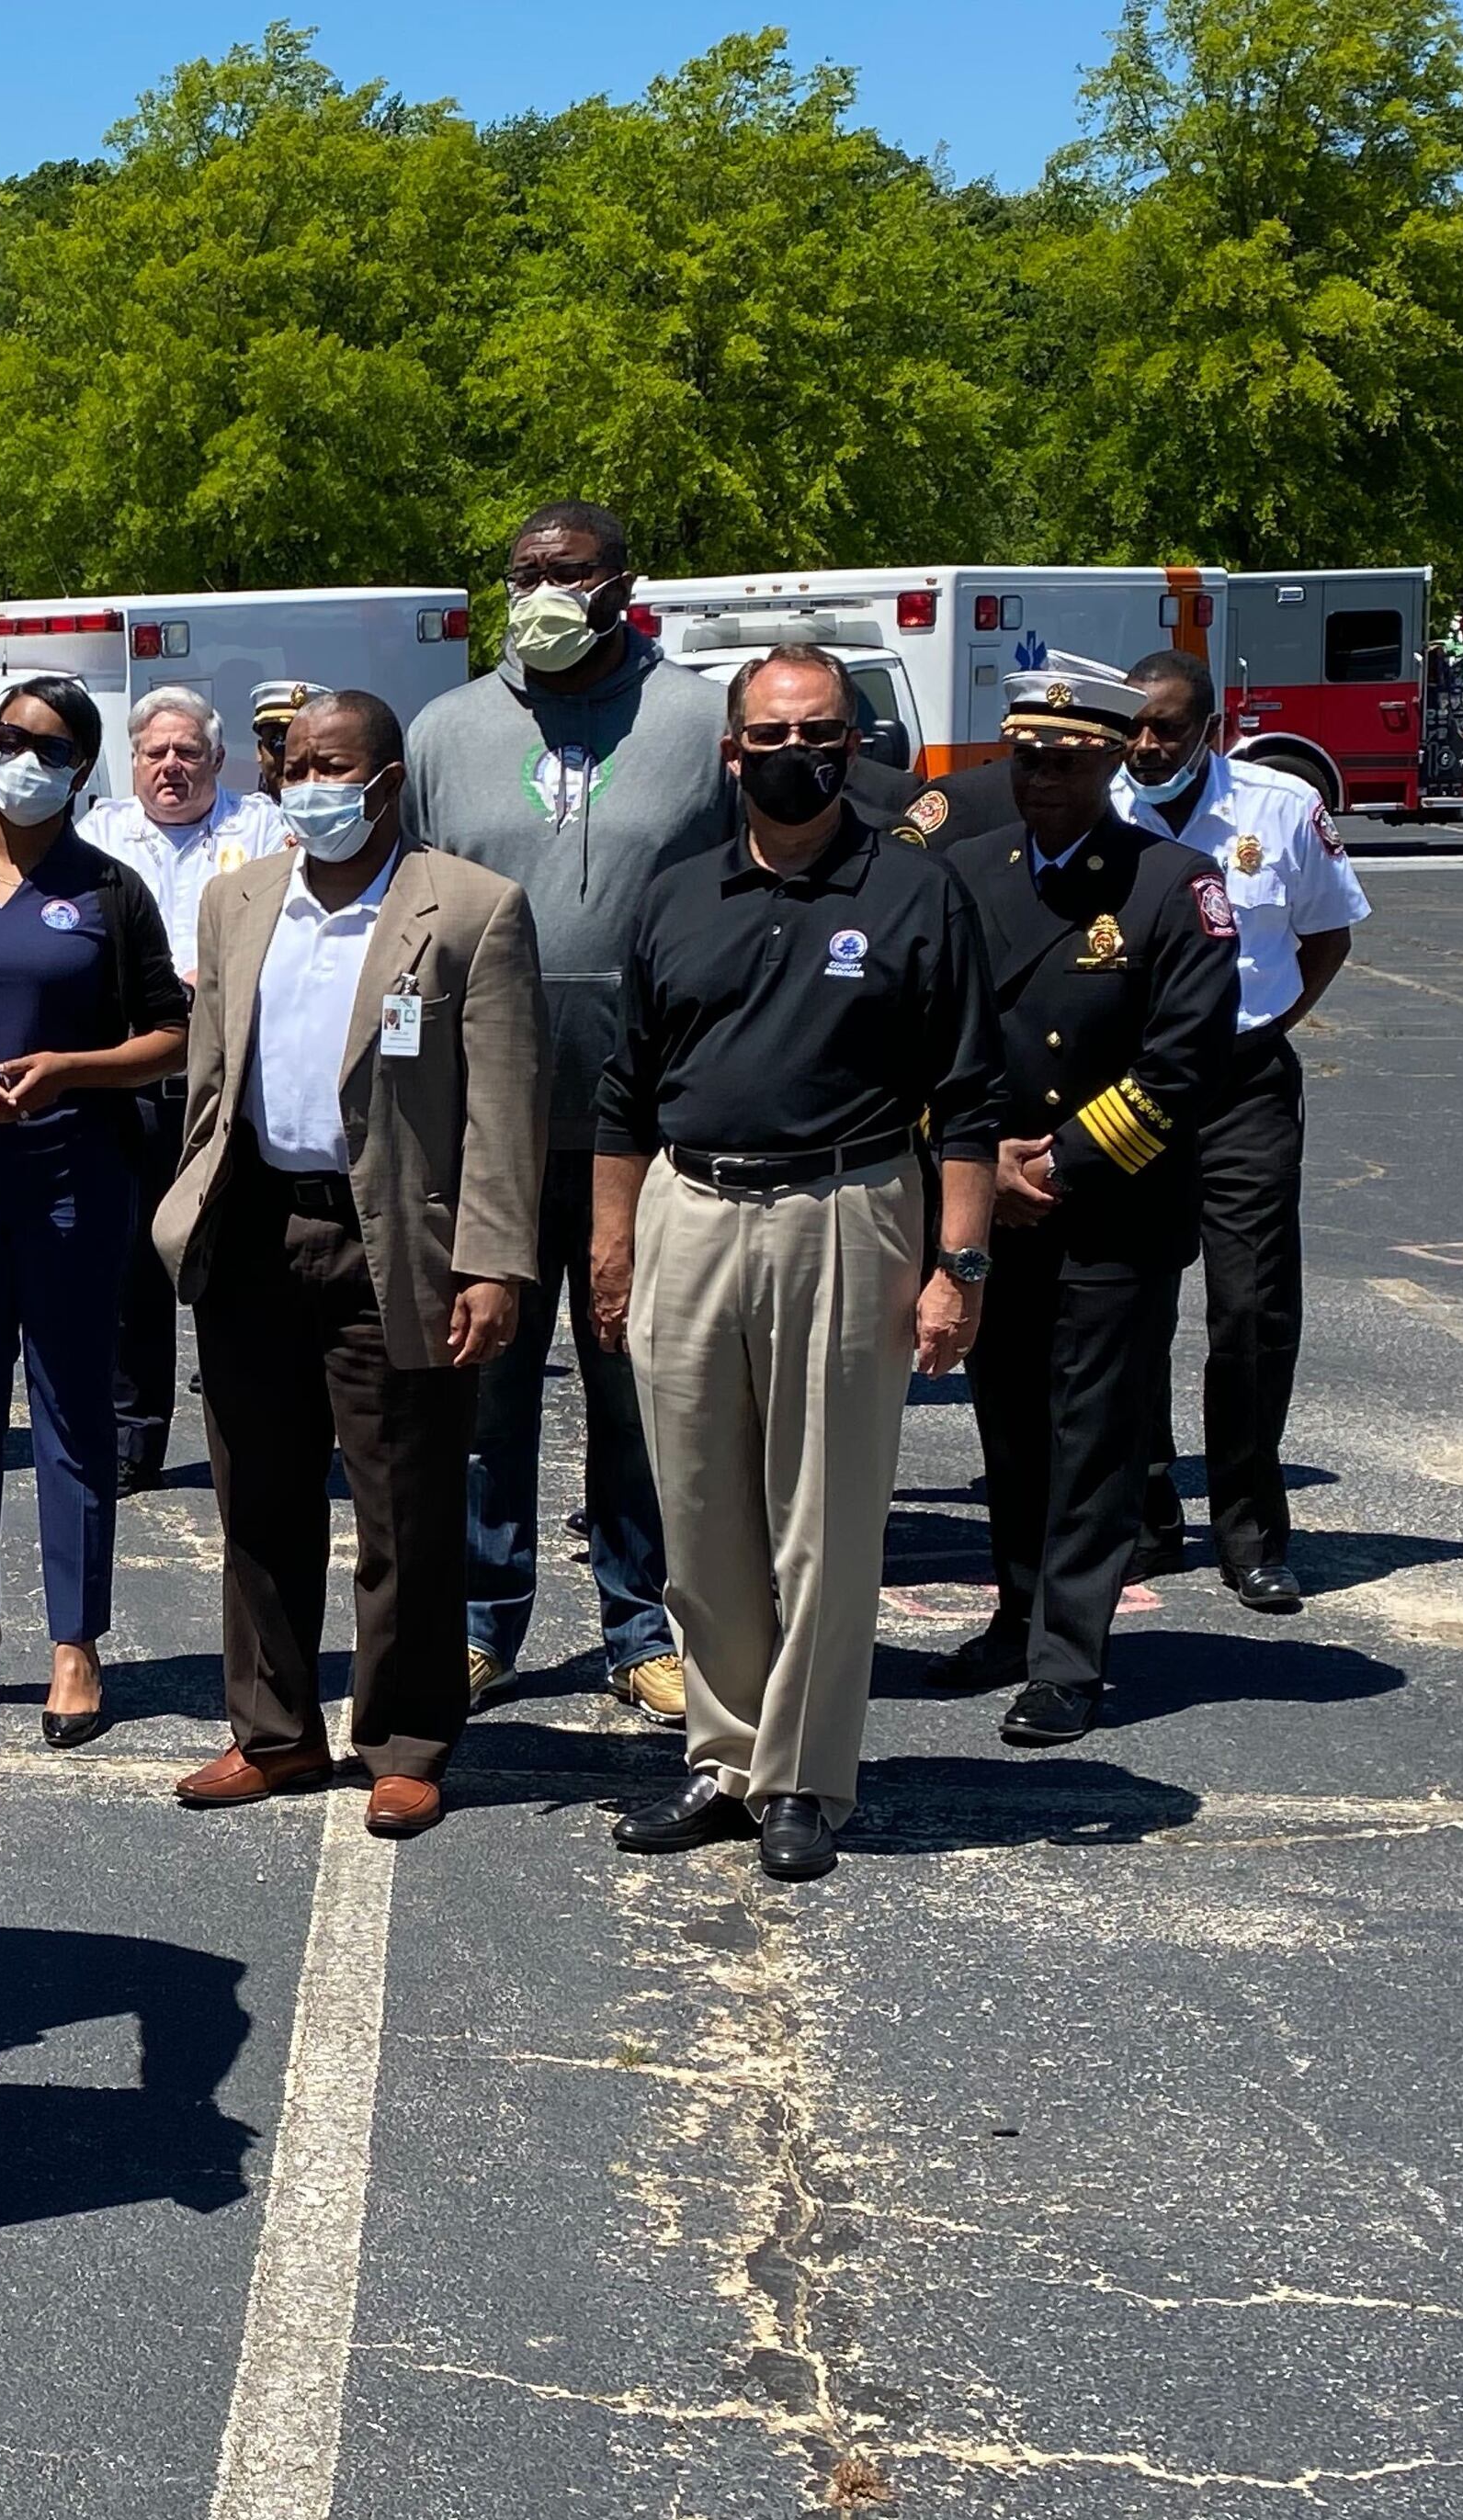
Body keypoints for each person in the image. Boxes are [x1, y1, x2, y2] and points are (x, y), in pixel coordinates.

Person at [595, 645, 1001, 1882]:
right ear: (732, 752)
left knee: (823, 1520)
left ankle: (808, 1779)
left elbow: (969, 1098)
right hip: (690, 1212)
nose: (793, 754)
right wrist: (611, 1249)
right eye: (768, 736)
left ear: (853, 743)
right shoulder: (673, 895)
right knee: (701, 1506)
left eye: (818, 731)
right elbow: (624, 1089)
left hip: (847, 1208)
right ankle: (722, 1761)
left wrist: (960, 1268)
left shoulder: (916, 898)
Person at [161, 691, 539, 1839]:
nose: (306, 784)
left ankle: (407, 1739)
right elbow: (212, 1077)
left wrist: (494, 1265)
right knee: (258, 1500)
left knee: (405, 1507)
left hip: (397, 1244)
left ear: (385, 781)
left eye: (333, 767)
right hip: (257, 1234)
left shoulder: (470, 909)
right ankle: (274, 1733)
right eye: (291, 764)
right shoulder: (239, 900)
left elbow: (507, 1106)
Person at [403, 496, 734, 1725]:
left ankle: (641, 1620)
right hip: (486, 1125)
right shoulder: (447, 731)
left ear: (623, 584)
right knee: (487, 1389)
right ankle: (485, 1618)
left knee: (633, 1386)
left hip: (648, 1127)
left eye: (566, 571)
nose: (539, 591)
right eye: (521, 571)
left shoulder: (702, 721)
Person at [0, 677, 189, 1746]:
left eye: (46, 747)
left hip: (70, 1182)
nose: (20, 758)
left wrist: (70, 1069)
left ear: (79, 770)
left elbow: (171, 1035)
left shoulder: (109, 889)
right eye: (7, 740)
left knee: (70, 1412)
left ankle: (75, 1644)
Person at [928, 661, 1238, 1744]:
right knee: (1007, 1425)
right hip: (990, 1201)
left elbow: (1183, 1065)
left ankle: (1071, 1657)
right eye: (1025, 758)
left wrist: (1054, 1164)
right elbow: (930, 1034)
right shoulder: (965, 872)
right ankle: (1018, 1614)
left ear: (1112, 760)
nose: (1041, 779)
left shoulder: (1171, 881)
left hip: (1109, 1211)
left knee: (1092, 1436)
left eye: (1064, 760)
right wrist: (976, 1168)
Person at [1113, 650, 1367, 1611]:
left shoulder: (1279, 809)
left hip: (1241, 1084)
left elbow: (1329, 935)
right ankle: (1140, 1514)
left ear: (1209, 729)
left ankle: (1251, 1530)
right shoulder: (1100, 805)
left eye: (1168, 727)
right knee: (1127, 1300)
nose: (1147, 745)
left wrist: (1266, 1034)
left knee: (1251, 1311)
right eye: (1135, 727)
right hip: (1127, 1091)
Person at [75, 687, 292, 1494]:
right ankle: (134, 1439)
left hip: (231, 1086)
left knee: (235, 1263)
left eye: (187, 753)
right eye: (154, 753)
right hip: (135, 1083)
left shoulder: (261, 828)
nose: (170, 767)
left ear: (216, 758)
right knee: (131, 1269)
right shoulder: (98, 834)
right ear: (132, 762)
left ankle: (256, 1435)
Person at [245, 680, 321, 800]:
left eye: (306, 746)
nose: (291, 759)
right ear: (259, 751)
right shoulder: (243, 817)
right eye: (277, 743)